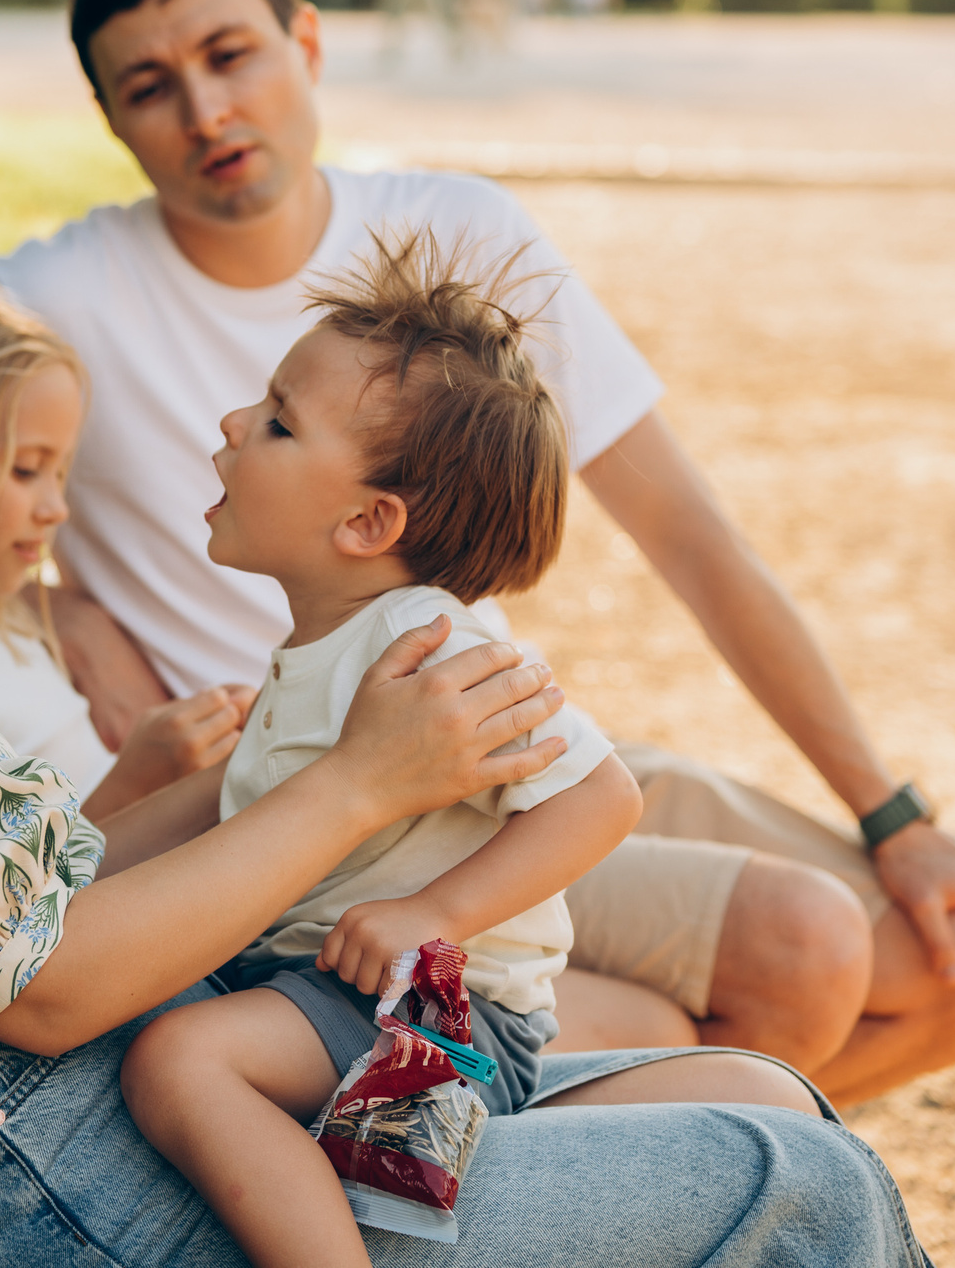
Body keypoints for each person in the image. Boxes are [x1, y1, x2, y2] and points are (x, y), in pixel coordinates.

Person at [0, 110, 936, 1264]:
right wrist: (357, 782)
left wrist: (231, 786)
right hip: (55, 1186)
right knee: (799, 1190)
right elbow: (46, 994)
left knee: (759, 1100)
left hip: (96, 1132)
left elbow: (16, 918)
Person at [0, 0, 955, 1104]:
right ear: (110, 118)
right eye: (148, 87)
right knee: (795, 960)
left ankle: (640, 1141)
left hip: (500, 753)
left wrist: (892, 811)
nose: (205, 113)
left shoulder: (459, 238)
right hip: (316, 833)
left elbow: (691, 538)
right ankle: (638, 1126)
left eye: (230, 56)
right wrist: (49, 601)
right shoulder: (55, 299)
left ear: (308, 42)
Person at [121, 235, 649, 1264]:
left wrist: (432, 915)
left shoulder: (428, 639)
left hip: (440, 1011)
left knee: (180, 1062)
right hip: (330, 986)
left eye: (276, 422)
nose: (232, 425)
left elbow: (602, 798)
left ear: (367, 520)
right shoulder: (321, 648)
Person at [0, 278, 252, 819]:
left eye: (60, 475)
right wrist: (137, 782)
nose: (55, 509)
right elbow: (12, 891)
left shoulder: (0, 614)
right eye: (26, 470)